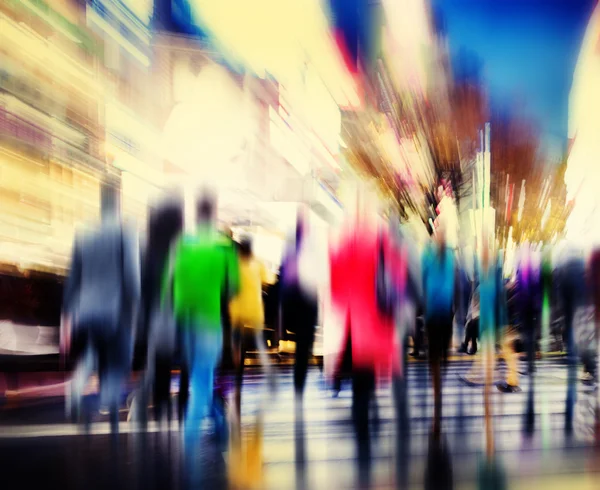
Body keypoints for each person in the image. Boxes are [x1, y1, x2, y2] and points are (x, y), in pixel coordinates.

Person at [62, 183, 141, 434]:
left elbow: (73, 276)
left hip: (84, 309)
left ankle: (75, 388)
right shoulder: (125, 231)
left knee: (93, 353)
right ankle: (104, 400)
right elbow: (131, 275)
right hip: (113, 309)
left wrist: (68, 313)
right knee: (118, 361)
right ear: (118, 200)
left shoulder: (84, 232)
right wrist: (134, 308)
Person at [168, 190, 239, 450]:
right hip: (210, 321)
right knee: (202, 381)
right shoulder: (223, 246)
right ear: (214, 212)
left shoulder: (181, 242)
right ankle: (189, 445)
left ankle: (220, 423)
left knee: (199, 379)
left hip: (184, 321)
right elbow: (233, 288)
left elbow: (170, 280)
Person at [136, 194, 184, 427]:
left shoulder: (146, 247)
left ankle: (157, 405)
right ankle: (163, 406)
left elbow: (142, 286)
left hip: (154, 313)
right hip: (175, 312)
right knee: (171, 361)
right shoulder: (180, 248)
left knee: (157, 362)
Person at [229, 235, 274, 417]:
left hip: (237, 312)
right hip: (254, 312)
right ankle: (268, 373)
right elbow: (268, 281)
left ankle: (237, 373)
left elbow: (229, 285)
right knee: (258, 345)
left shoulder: (233, 264)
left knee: (237, 346)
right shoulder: (258, 263)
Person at [280, 210, 321, 401]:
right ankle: (299, 384)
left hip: (294, 303)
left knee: (301, 347)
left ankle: (299, 383)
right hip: (307, 303)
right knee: (304, 346)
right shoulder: (310, 248)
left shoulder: (290, 248)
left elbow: (285, 276)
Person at [421, 226, 455, 438]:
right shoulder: (429, 255)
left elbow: (455, 281)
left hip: (443, 313)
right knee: (435, 357)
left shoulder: (449, 257)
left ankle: (438, 383)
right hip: (434, 314)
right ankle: (437, 394)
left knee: (442, 357)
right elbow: (422, 278)